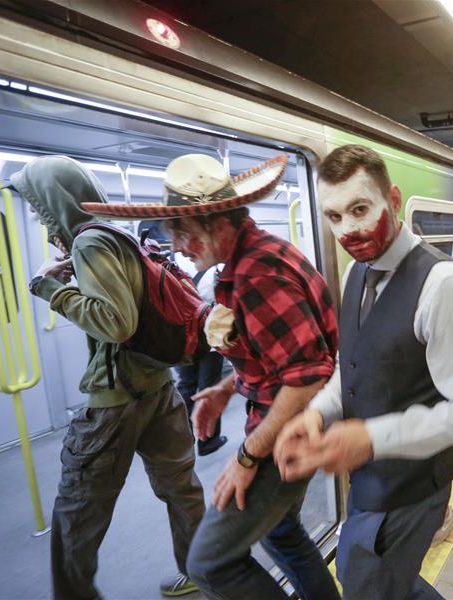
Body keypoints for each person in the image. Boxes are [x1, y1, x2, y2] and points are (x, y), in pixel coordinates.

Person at [82, 153, 341, 600]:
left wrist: (245, 457)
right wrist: (225, 388)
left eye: (181, 229)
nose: (177, 245)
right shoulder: (256, 259)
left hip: (292, 430)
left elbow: (306, 378)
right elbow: (280, 358)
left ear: (216, 219)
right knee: (281, 533)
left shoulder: (257, 275)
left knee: (209, 563)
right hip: (291, 419)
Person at [274, 144, 453, 599]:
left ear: (393, 201)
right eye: (334, 217)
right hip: (370, 482)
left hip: (411, 488)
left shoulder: (445, 286)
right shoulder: (358, 273)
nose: (348, 229)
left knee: (365, 587)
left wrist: (371, 438)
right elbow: (352, 363)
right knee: (381, 581)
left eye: (360, 208)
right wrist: (317, 414)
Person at [13, 156, 205, 599]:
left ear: (53, 202)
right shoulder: (119, 234)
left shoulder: (90, 244)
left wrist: (48, 287)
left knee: (78, 508)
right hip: (159, 386)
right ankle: (199, 571)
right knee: (181, 488)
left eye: (37, 206)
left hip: (115, 400)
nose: (38, 217)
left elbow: (116, 324)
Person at [175, 266, 228, 456]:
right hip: (209, 341)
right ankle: (208, 441)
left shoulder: (175, 264)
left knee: (186, 386)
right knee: (208, 388)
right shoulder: (216, 268)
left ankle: (181, 439)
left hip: (183, 340)